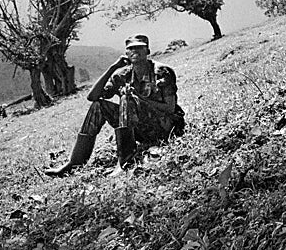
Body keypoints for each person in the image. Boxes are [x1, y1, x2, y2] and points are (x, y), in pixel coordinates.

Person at [44, 34, 185, 177]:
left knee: (127, 98)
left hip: (165, 127)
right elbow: (92, 97)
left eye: (139, 48)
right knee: (98, 106)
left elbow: (170, 108)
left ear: (147, 51)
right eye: (131, 49)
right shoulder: (122, 75)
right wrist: (112, 68)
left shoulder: (161, 72)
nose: (135, 51)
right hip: (139, 129)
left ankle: (124, 162)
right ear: (126, 53)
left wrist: (138, 99)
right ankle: (74, 162)